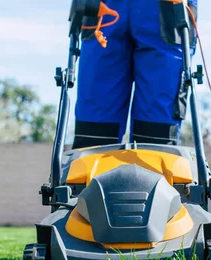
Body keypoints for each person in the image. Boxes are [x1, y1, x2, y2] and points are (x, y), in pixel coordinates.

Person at [73, 0, 198, 149]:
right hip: (103, 8)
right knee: (93, 137)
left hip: (165, 10)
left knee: (155, 141)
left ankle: (154, 164)